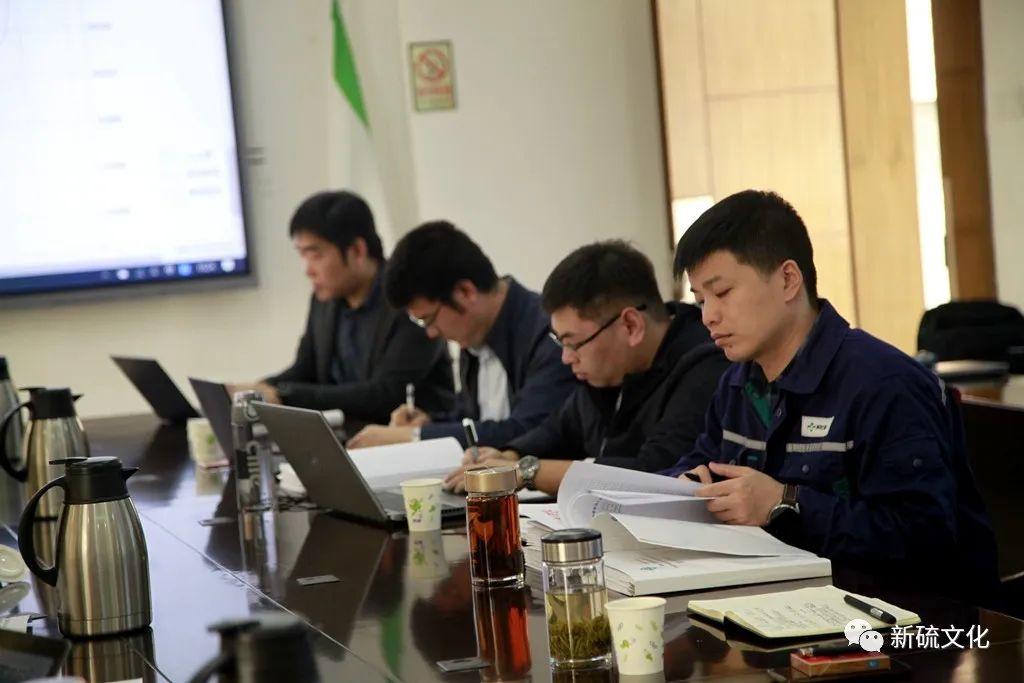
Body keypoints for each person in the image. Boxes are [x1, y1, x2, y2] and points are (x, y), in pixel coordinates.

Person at [664, 189, 999, 596]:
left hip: (907, 617)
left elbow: (924, 536)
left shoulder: (884, 384)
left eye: (722, 293)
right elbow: (702, 460)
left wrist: (785, 503)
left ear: (788, 280)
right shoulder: (736, 383)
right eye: (700, 300)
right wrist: (686, 486)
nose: (708, 317)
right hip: (782, 599)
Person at [443, 240, 729, 495]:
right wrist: (508, 455)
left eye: (573, 343)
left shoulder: (703, 364)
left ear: (631, 326)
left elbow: (656, 472)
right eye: (561, 343)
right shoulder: (607, 373)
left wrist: (527, 472)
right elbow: (558, 430)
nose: (567, 358)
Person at [230, 191, 453, 426]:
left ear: (357, 250)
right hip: (340, 435)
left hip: (404, 437)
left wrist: (284, 396)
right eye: (303, 256)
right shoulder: (325, 300)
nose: (308, 270)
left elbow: (385, 394)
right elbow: (305, 370)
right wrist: (259, 390)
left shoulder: (408, 298)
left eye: (315, 255)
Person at [347, 221, 577, 448]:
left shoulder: (551, 335)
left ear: (465, 292)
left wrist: (414, 436)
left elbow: (527, 431)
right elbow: (472, 420)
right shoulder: (474, 335)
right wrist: (429, 423)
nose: (431, 333)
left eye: (428, 319)